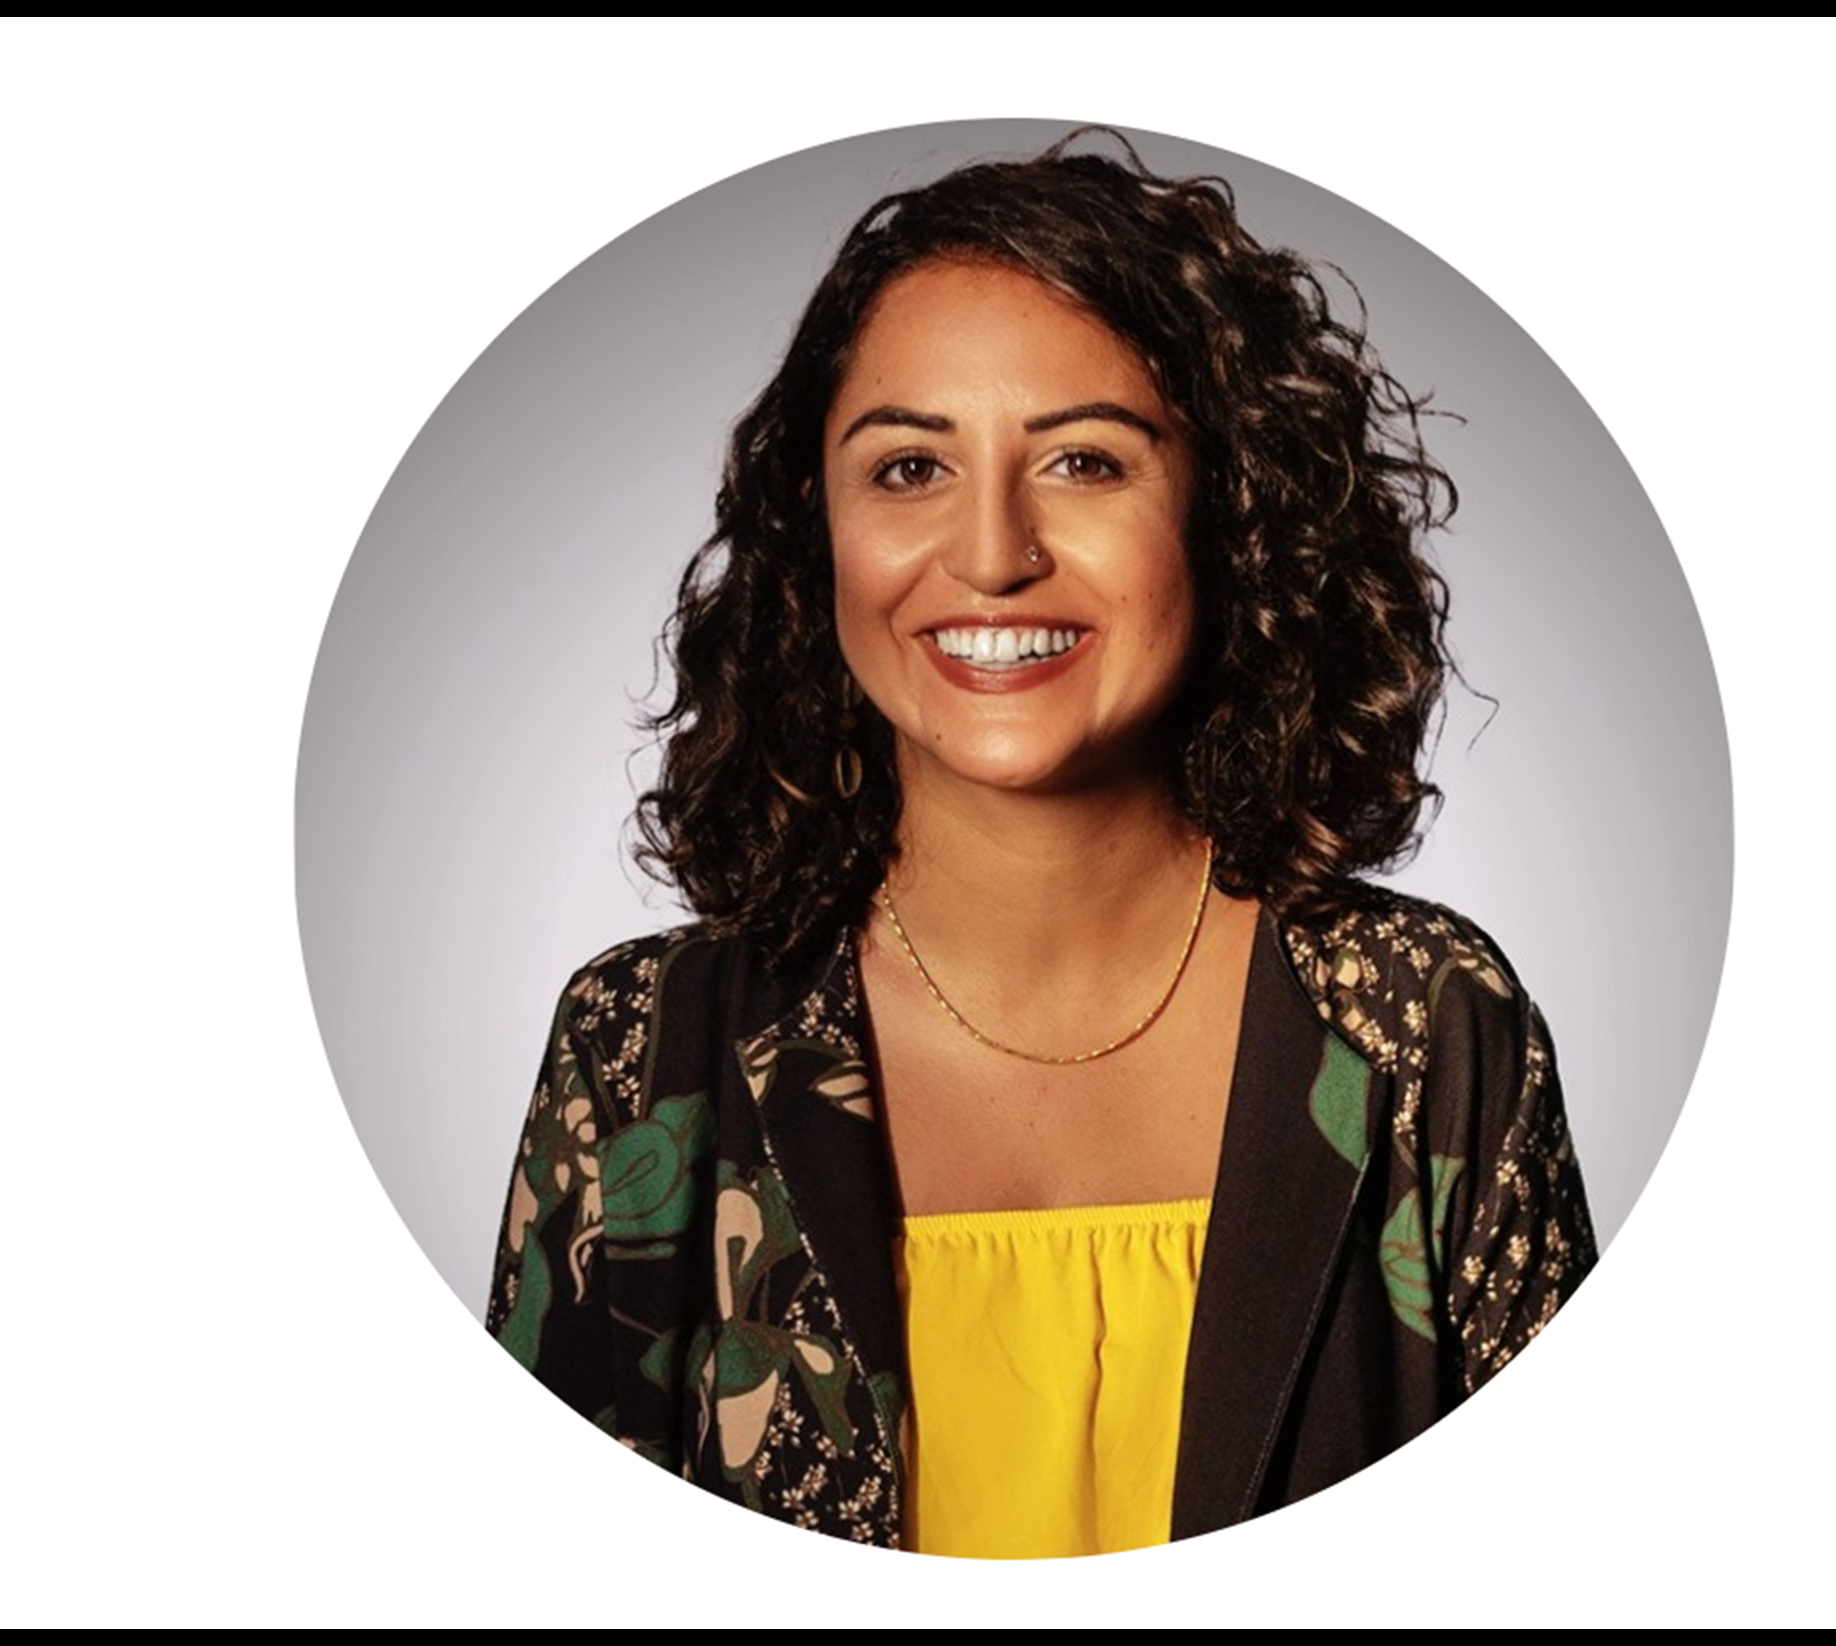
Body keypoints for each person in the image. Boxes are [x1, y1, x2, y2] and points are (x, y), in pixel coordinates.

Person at [485, 132, 1597, 1558]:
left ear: (1227, 505)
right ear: (813, 529)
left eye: (1082, 459)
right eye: (907, 469)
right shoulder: (641, 1051)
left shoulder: (1432, 1034)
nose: (994, 551)